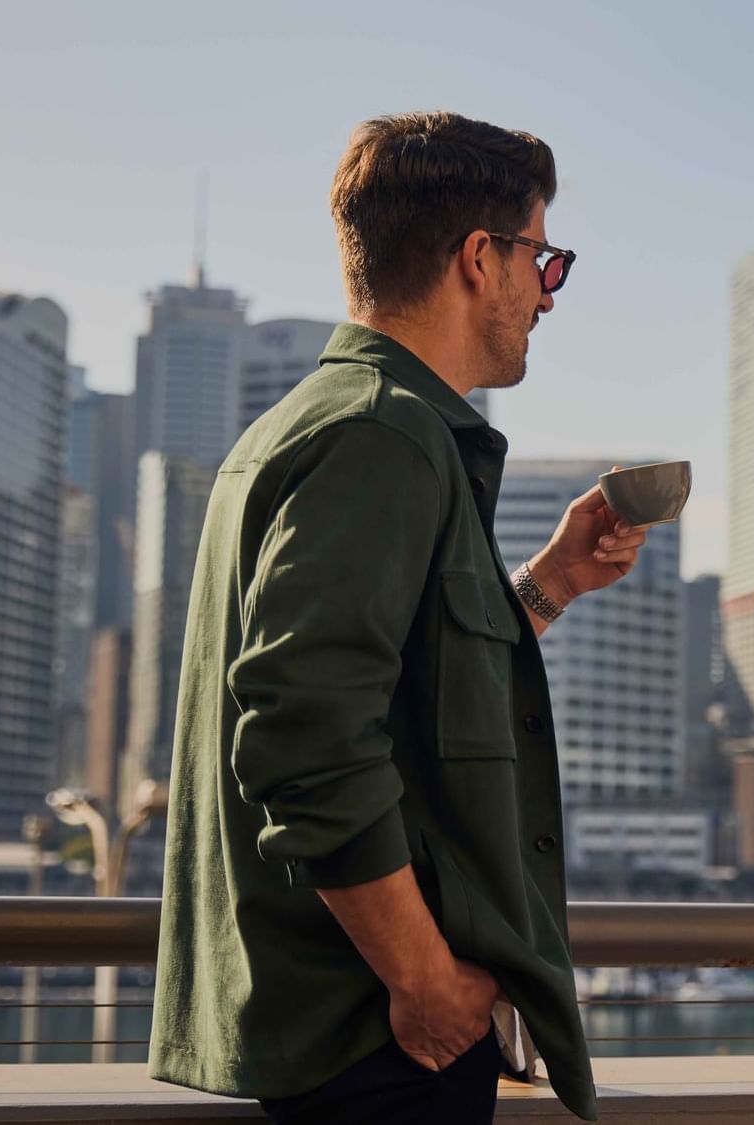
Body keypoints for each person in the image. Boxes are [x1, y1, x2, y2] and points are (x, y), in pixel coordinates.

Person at [149, 111, 634, 1124]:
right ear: (477, 258)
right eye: (541, 260)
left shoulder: (316, 425)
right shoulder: (386, 436)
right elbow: (303, 733)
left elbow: (407, 686)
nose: (547, 293)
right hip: (377, 1040)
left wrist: (548, 585)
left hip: (346, 1035)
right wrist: (423, 981)